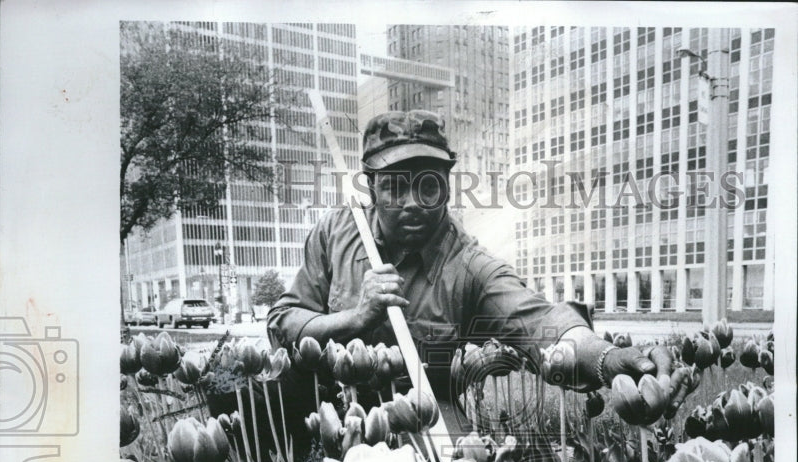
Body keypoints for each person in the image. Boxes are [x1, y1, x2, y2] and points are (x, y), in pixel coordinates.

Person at [267, 109, 688, 433]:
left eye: (428, 185)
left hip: (426, 410)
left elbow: (539, 322)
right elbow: (284, 323)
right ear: (370, 186)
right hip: (330, 407)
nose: (413, 202)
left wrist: (607, 359)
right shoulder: (335, 233)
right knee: (257, 392)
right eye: (395, 185)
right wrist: (354, 318)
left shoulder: (468, 264)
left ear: (447, 188)